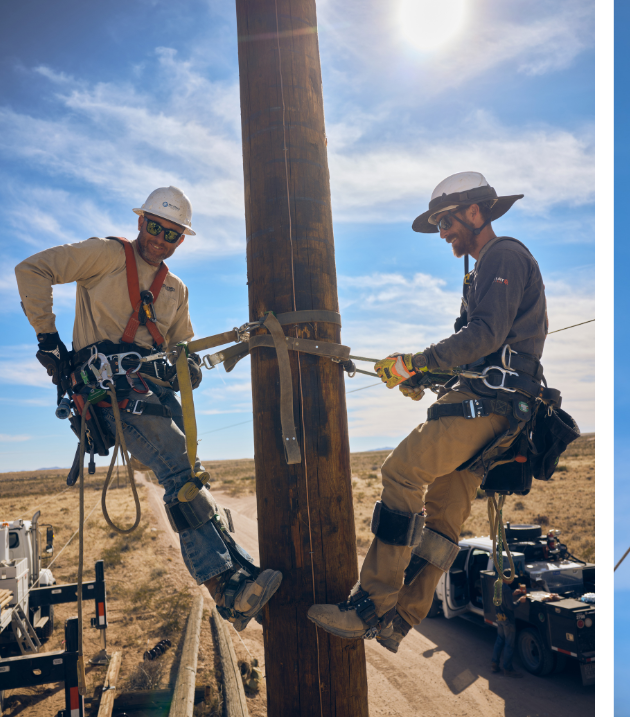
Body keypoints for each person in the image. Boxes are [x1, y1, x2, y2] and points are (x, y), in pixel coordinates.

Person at [14, 187, 281, 631]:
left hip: (152, 395)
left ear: (181, 240)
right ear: (140, 222)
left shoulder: (175, 289)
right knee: (178, 470)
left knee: (190, 473)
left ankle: (240, 570)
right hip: (109, 399)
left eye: (171, 234)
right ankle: (224, 589)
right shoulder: (104, 255)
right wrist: (47, 337)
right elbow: (32, 269)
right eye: (154, 227)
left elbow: (180, 346)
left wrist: (188, 367)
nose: (160, 239)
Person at [308, 171, 553, 652]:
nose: (443, 234)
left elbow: (482, 335)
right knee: (442, 512)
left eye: (446, 222)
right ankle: (402, 617)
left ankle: (371, 604)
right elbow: (482, 350)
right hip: (500, 407)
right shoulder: (481, 269)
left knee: (401, 471)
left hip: (489, 406)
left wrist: (415, 362)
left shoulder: (503, 255)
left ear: (476, 211)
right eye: (439, 225)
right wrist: (424, 376)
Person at [492, 579, 528, 677]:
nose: (513, 580)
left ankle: (494, 664)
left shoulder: (497, 585)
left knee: (500, 640)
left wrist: (512, 593)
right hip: (508, 619)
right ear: (506, 578)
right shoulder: (506, 588)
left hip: (499, 616)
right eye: (511, 577)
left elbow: (502, 597)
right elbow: (511, 606)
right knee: (509, 644)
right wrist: (520, 601)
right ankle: (507, 669)